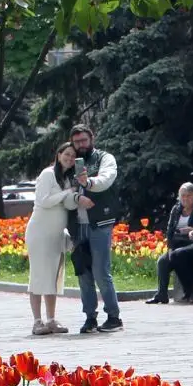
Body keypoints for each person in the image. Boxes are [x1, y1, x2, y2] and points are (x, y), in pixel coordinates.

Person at [67, 125, 123, 333]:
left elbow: (106, 179)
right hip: (78, 224)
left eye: (83, 140)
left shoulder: (104, 158)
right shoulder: (70, 160)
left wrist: (88, 182)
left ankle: (114, 316)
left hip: (100, 221)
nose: (80, 145)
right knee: (83, 271)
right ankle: (90, 317)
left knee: (100, 271)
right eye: (77, 142)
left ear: (92, 139)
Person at [24, 142, 79, 335]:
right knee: (39, 275)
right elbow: (43, 200)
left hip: (56, 234)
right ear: (59, 154)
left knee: (54, 277)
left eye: (73, 156)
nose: (69, 158)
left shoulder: (67, 179)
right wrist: (67, 193)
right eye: (67, 154)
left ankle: (51, 319)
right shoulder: (48, 174)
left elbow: (70, 204)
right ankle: (37, 321)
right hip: (40, 233)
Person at [147, 182, 193, 304]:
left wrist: (192, 230)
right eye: (183, 195)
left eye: (189, 195)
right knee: (163, 260)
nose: (185, 198)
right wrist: (169, 247)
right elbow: (169, 230)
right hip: (177, 243)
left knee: (177, 256)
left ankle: (191, 289)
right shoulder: (176, 209)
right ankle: (161, 294)